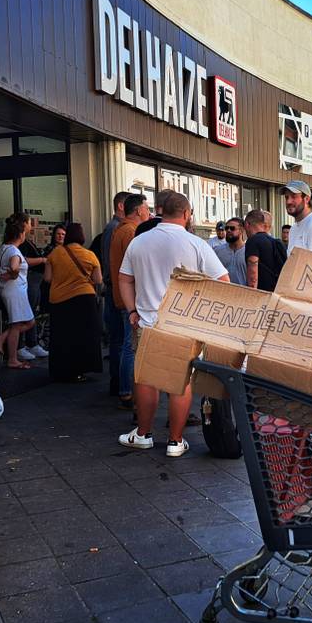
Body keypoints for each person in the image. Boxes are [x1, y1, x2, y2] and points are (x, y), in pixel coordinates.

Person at [117, 192, 228, 457]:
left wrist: (132, 309)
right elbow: (223, 282)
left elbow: (124, 279)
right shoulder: (196, 244)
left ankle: (143, 434)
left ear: (160, 212)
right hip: (183, 326)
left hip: (147, 323)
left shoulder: (139, 242)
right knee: (181, 383)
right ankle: (175, 442)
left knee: (146, 380)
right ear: (187, 214)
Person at [43, 223, 103, 382]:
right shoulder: (89, 255)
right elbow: (98, 280)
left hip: (60, 300)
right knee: (83, 336)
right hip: (85, 300)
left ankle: (61, 370)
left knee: (63, 337)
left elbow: (47, 278)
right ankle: (80, 371)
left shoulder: (55, 254)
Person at [109, 194, 152, 408]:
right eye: (147, 208)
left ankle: (125, 389)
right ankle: (127, 392)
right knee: (130, 345)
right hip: (131, 300)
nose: (149, 212)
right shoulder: (129, 232)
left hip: (124, 297)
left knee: (126, 344)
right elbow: (133, 269)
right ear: (138, 211)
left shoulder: (120, 230)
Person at [101, 191, 133, 396]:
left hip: (113, 288)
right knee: (125, 343)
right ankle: (124, 388)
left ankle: (119, 383)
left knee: (118, 341)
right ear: (121, 207)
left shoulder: (112, 229)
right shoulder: (122, 230)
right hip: (119, 289)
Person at [0, 220, 37, 369]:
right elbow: (14, 266)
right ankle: (12, 359)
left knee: (27, 322)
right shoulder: (14, 251)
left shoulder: (3, 248)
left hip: (9, 290)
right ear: (20, 234)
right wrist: (13, 274)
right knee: (17, 324)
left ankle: (2, 337)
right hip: (15, 291)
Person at [12, 214, 49, 361]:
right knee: (25, 315)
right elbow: (21, 261)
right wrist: (42, 260)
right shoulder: (18, 244)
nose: (31, 225)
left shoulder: (26, 241)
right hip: (28, 280)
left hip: (34, 280)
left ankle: (31, 343)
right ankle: (21, 345)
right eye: (28, 222)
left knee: (31, 313)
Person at [282, 180, 312, 255]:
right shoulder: (294, 228)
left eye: (293, 196)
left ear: (307, 199)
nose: (288, 201)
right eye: (286, 197)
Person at [244, 209, 287, 291]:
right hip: (276, 292)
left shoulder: (253, 241)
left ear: (247, 224)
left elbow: (253, 269)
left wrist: (251, 292)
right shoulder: (276, 242)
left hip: (262, 294)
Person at [215, 217, 248, 284]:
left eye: (232, 228)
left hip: (244, 292)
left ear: (241, 231)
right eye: (227, 228)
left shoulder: (249, 251)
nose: (228, 230)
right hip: (222, 292)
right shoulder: (218, 251)